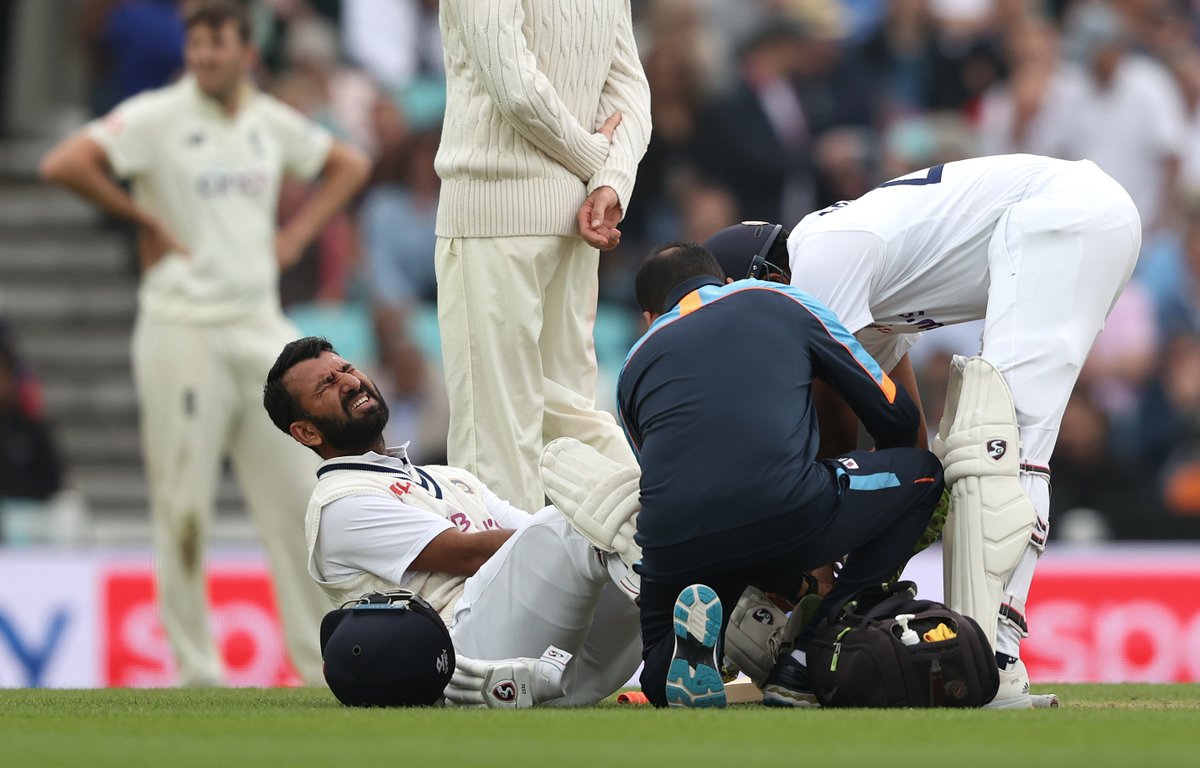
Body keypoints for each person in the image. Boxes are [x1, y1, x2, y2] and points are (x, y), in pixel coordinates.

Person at [703, 153, 1141, 708]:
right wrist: (866, 566)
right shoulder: (854, 282)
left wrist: (810, 574)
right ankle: (984, 657)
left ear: (759, 280)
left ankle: (995, 664)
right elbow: (902, 441)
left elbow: (810, 435)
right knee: (971, 448)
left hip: (1065, 211)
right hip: (1077, 217)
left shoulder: (819, 261)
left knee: (996, 439)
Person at [39, 0, 371, 686]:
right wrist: (142, 219)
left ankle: (321, 663)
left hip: (259, 326)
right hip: (181, 325)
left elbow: (348, 163)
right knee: (183, 506)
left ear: (247, 53)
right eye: (196, 45)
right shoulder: (156, 116)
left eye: (217, 45)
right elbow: (66, 163)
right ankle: (197, 670)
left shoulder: (269, 121)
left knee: (301, 499)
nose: (205, 57)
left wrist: (296, 236)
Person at [617, 242, 944, 708]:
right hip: (785, 509)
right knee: (924, 473)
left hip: (673, 542)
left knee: (659, 661)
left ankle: (671, 663)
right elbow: (896, 415)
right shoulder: (778, 299)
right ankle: (816, 646)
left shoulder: (632, 364)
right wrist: (863, 522)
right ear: (727, 282)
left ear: (650, 317)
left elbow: (664, 477)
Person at [262, 336, 642, 707]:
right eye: (326, 385)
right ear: (306, 431)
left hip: (556, 662)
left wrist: (590, 525)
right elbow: (470, 555)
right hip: (463, 660)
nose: (349, 382)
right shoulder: (339, 502)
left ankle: (667, 657)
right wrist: (580, 525)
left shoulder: (448, 477)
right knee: (586, 524)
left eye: (346, 368)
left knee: (615, 528)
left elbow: (542, 544)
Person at [433, 0, 653, 512]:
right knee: (569, 421)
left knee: (494, 430)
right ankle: (666, 536)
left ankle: (506, 571)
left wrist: (596, 163)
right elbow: (629, 92)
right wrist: (609, 180)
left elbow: (514, 88)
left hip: (494, 209)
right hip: (579, 217)